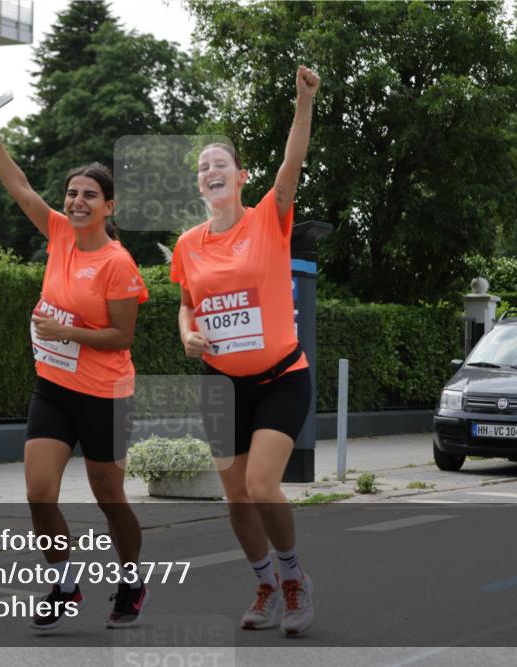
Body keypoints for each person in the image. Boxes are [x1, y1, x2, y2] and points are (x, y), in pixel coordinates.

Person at [0, 96, 149, 630]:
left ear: (109, 207)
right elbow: (20, 187)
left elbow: (122, 337)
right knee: (38, 494)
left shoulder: (117, 264)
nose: (77, 201)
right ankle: (65, 583)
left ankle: (132, 579)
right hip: (53, 388)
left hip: (105, 395)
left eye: (89, 195)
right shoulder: (58, 235)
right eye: (73, 193)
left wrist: (64, 331)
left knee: (109, 497)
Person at [169, 65, 321, 636]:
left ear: (240, 177)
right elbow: (187, 304)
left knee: (261, 486)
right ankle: (264, 583)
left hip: (281, 376)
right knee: (236, 498)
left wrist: (303, 102)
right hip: (221, 382)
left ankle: (294, 578)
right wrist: (187, 333)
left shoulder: (267, 219)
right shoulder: (188, 245)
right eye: (203, 167)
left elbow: (292, 164)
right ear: (199, 185)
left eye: (220, 164)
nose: (211, 171)